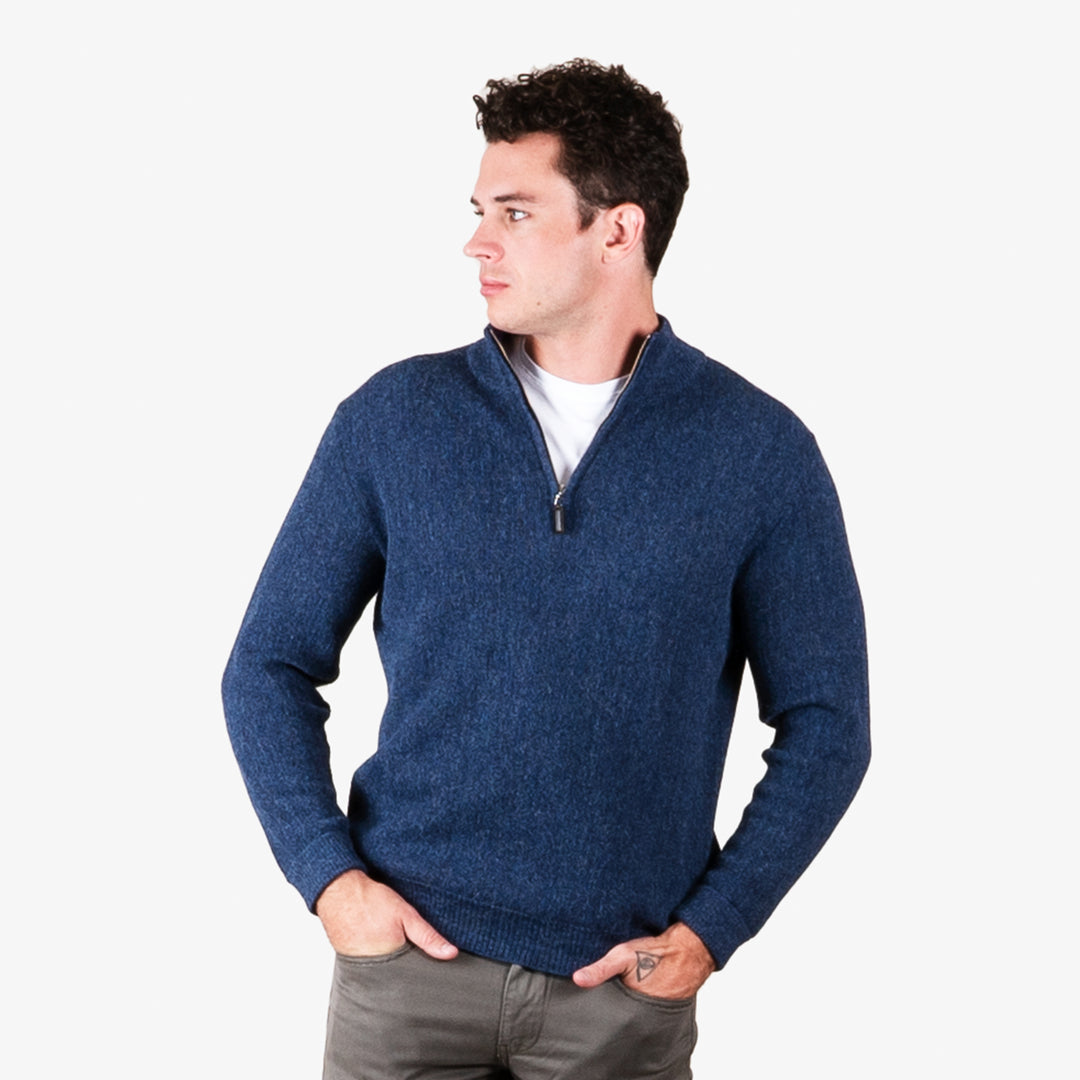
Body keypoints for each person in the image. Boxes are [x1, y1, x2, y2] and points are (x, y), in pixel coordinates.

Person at [223, 58, 870, 1080]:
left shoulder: (759, 453)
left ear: (618, 230)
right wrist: (329, 879)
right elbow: (267, 664)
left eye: (516, 213)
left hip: (618, 1000)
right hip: (406, 982)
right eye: (480, 210)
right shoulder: (395, 420)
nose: (477, 241)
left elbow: (830, 725)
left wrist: (710, 933)